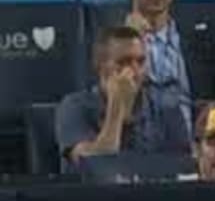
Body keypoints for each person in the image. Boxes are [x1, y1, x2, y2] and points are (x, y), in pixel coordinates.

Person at [61, 25, 193, 163]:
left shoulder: (165, 105)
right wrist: (116, 104)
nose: (135, 71)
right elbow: (98, 165)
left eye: (141, 62)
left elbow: (183, 165)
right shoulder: (75, 106)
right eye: (123, 62)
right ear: (100, 66)